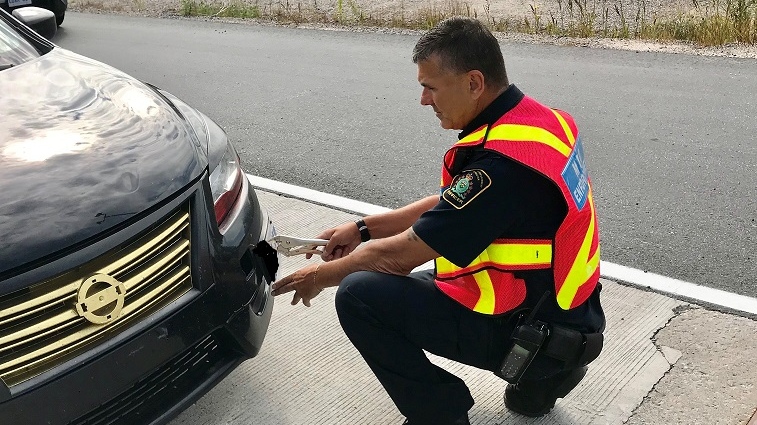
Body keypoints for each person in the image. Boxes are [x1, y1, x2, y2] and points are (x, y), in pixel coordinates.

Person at [271, 16, 605, 425]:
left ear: (474, 82)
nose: (425, 100)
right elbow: (455, 204)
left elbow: (398, 257)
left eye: (430, 87)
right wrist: (362, 228)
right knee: (526, 404)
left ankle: (442, 413)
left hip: (530, 328)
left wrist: (317, 278)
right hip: (571, 315)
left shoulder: (501, 167)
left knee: (358, 293)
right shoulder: (543, 124)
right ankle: (544, 380)